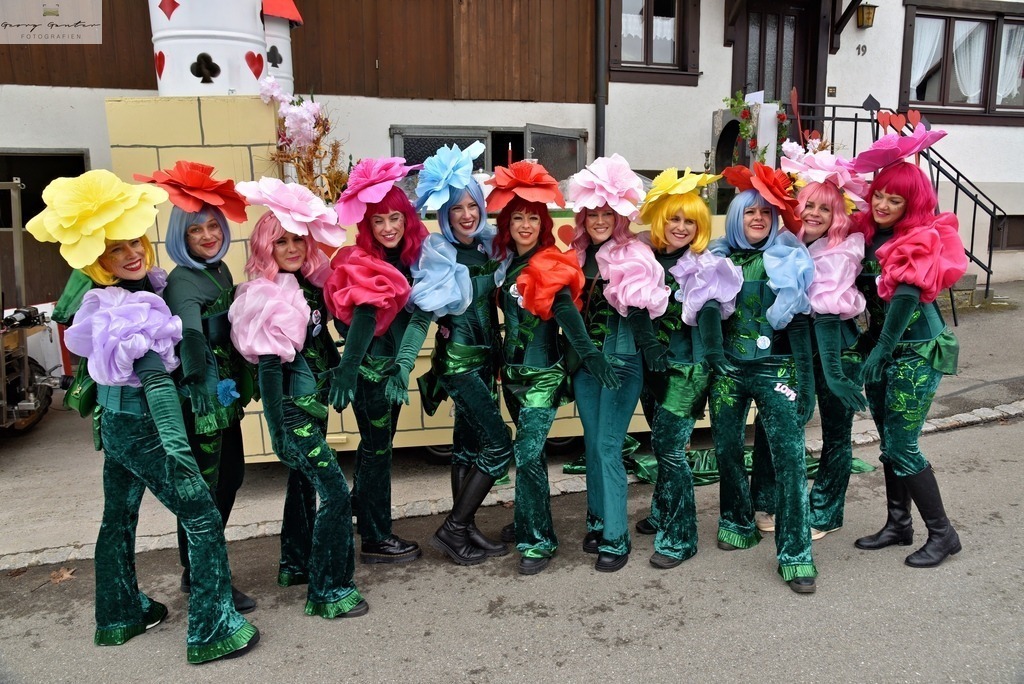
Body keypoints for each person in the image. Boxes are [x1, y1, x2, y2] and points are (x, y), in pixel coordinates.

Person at [28, 170, 258, 663]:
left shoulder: (125, 293)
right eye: (117, 250)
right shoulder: (129, 308)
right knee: (199, 511)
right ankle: (213, 629)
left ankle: (119, 614)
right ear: (98, 261)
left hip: (115, 427)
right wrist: (178, 451)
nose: (133, 253)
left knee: (118, 519)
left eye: (135, 243)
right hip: (142, 427)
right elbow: (155, 381)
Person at [445, 160, 619, 574]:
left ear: (543, 224)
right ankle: (529, 518)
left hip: (542, 377)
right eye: (518, 218)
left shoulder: (548, 263)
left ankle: (539, 541)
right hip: (512, 378)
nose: (525, 225)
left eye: (532, 219)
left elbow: (565, 312)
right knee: (533, 456)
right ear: (508, 224)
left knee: (524, 454)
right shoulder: (505, 264)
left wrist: (590, 353)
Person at [231, 178, 367, 617]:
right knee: (335, 493)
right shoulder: (264, 296)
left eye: (297, 239)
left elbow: (321, 340)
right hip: (292, 412)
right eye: (281, 241)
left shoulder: (308, 286)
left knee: (303, 486)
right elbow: (269, 369)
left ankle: (295, 563)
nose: (290, 248)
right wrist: (277, 429)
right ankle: (328, 591)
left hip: (314, 403)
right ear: (265, 247)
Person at [137, 161, 256, 612]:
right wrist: (203, 382)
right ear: (180, 238)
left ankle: (197, 567)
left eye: (212, 226)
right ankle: (202, 574)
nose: (207, 236)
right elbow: (188, 334)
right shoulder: (185, 278)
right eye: (195, 231)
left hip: (223, 395)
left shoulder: (219, 270)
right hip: (201, 399)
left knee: (231, 479)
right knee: (209, 489)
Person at [850, 125, 967, 567]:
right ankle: (898, 524)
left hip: (916, 351)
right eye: (879, 195)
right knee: (889, 442)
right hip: (885, 349)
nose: (882, 204)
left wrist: (879, 349)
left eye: (894, 200)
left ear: (911, 204)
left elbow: (905, 296)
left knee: (902, 445)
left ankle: (944, 534)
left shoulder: (917, 238)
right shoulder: (871, 233)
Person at [397, 141, 510, 559]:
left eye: (472, 206)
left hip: (485, 360)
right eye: (456, 208)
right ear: (443, 213)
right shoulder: (439, 253)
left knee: (466, 447)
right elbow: (423, 316)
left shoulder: (485, 246)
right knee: (500, 445)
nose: (467, 215)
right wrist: (405, 361)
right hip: (460, 363)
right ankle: (454, 527)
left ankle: (466, 529)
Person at [711, 162, 819, 593]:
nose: (758, 218)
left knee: (791, 459)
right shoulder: (717, 258)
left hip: (778, 369)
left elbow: (800, 325)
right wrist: (713, 357)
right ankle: (737, 521)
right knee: (726, 448)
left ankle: (795, 555)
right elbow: (704, 318)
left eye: (766, 213)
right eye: (750, 211)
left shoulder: (790, 257)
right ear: (736, 216)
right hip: (729, 371)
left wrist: (807, 381)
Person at [632, 167, 743, 568]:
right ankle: (663, 510)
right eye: (675, 218)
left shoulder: (702, 264)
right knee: (663, 443)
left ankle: (680, 537)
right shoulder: (643, 256)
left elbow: (711, 309)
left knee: (668, 447)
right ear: (662, 219)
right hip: (652, 367)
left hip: (688, 368)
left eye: (690, 221)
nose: (681, 227)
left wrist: (713, 351)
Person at [564, 154, 668, 572]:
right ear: (584, 217)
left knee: (608, 447)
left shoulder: (633, 254)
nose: (600, 220)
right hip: (585, 366)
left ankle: (616, 537)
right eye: (593, 214)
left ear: (619, 216)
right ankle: (597, 519)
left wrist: (651, 353)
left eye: (608, 213)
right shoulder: (576, 255)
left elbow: (641, 309)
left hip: (622, 361)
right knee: (592, 445)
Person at [323, 156, 427, 564]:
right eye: (379, 220)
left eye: (395, 218)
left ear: (406, 220)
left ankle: (363, 514)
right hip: (370, 375)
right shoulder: (365, 261)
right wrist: (350, 368)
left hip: (387, 372)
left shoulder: (404, 258)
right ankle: (377, 538)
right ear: (367, 225)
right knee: (378, 450)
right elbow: (365, 312)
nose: (388, 227)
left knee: (374, 448)